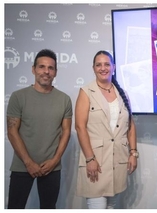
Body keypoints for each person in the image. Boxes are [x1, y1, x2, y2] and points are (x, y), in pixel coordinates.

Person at [6, 49, 73, 209]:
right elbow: (12, 131)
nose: (46, 71)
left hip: (51, 166)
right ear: (33, 69)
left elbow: (66, 132)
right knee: (15, 207)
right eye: (42, 67)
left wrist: (55, 161)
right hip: (22, 165)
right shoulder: (18, 96)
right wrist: (29, 163)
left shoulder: (64, 99)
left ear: (55, 72)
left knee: (49, 208)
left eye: (50, 68)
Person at [75, 50, 138, 209]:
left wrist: (133, 153)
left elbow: (130, 126)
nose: (103, 68)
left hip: (119, 160)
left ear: (114, 67)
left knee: (112, 205)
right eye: (99, 65)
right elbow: (80, 127)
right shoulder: (86, 92)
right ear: (93, 68)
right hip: (96, 161)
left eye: (107, 64)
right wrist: (90, 159)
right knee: (97, 205)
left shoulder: (123, 93)